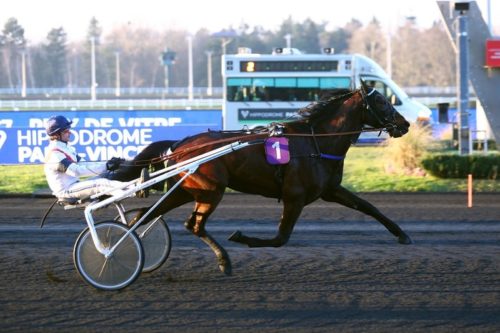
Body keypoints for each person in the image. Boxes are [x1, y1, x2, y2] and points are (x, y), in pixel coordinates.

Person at [43, 115, 149, 202]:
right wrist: (106, 166)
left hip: (74, 185)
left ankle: (135, 186)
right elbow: (76, 171)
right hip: (66, 191)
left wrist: (109, 164)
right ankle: (136, 190)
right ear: (57, 134)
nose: (69, 132)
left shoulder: (65, 148)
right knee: (101, 183)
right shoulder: (54, 153)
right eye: (66, 131)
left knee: (108, 175)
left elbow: (85, 164)